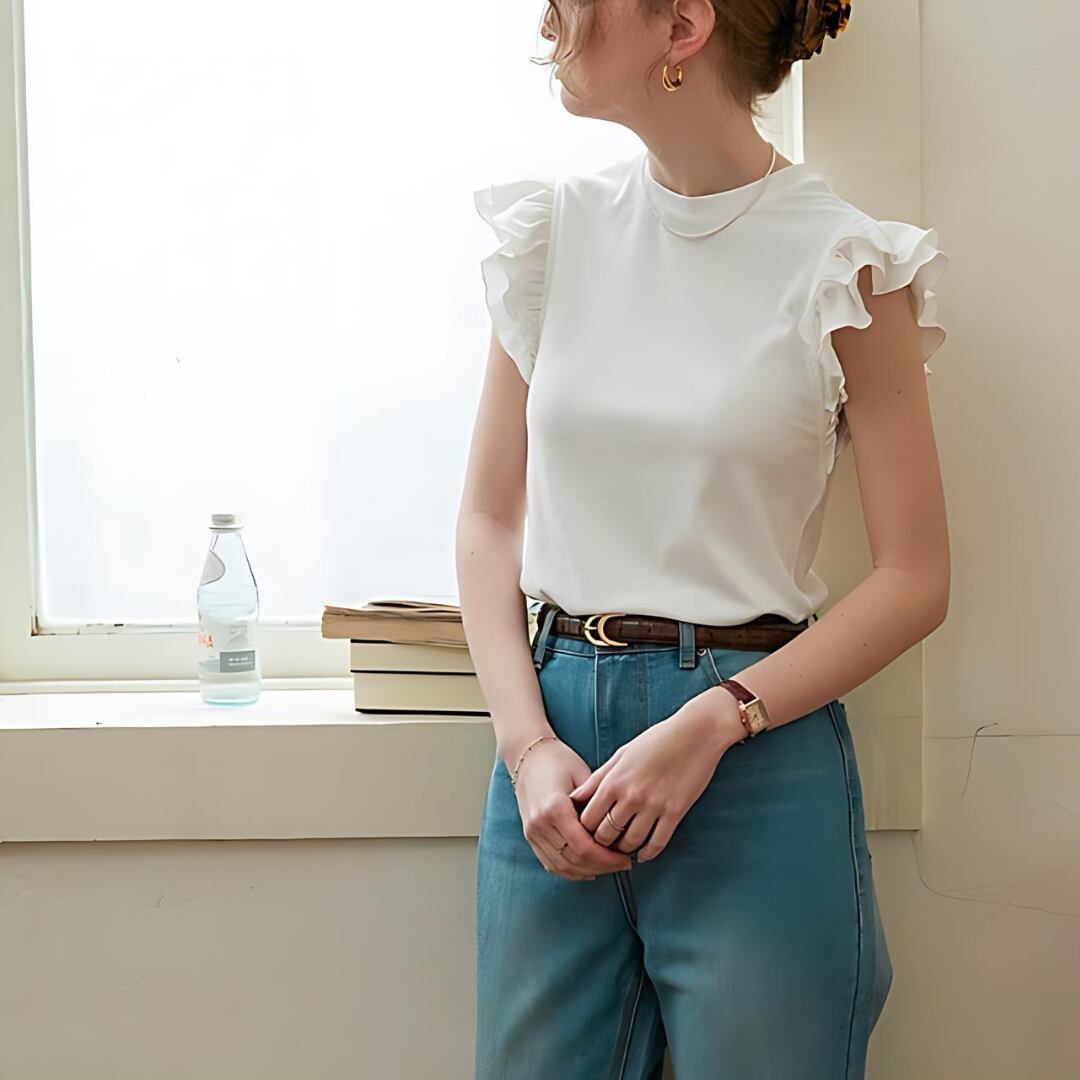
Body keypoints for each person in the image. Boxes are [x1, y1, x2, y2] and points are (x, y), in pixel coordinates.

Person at [456, 1, 950, 1077]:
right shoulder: (554, 236)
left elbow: (916, 577)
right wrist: (527, 747)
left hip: (756, 748)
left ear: (682, 27)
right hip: (554, 753)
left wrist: (717, 721)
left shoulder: (846, 262)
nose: (549, 15)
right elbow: (490, 519)